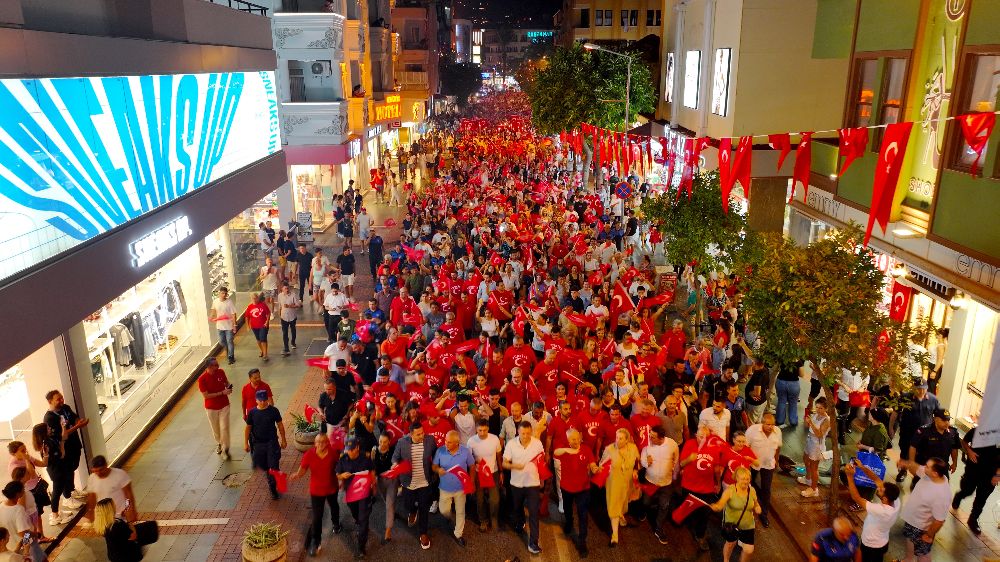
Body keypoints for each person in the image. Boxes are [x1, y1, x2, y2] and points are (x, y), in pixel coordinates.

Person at [290, 433, 342, 556]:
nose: (320, 444)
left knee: (334, 506)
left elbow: (340, 466)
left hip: (332, 488)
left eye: (323, 442)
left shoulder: (333, 453)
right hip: (316, 491)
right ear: (315, 443)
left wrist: (341, 478)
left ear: (327, 442)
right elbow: (302, 469)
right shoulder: (309, 455)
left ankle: (336, 523)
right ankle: (315, 541)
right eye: (318, 442)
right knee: (317, 517)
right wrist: (297, 475)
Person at [896, 457, 952, 562]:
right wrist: (905, 463)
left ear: (935, 473)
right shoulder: (930, 475)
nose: (924, 467)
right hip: (912, 521)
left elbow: (939, 520)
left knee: (923, 554)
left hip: (921, 528)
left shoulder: (942, 494)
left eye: (927, 466)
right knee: (909, 541)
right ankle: (908, 559)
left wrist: (928, 535)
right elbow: (917, 467)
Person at [843, 460, 901, 562]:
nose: (878, 488)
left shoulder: (881, 510)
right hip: (882, 542)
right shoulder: (896, 501)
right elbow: (876, 479)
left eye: (881, 490)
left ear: (885, 499)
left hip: (872, 546)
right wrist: (862, 466)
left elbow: (856, 498)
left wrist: (849, 476)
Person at [392, 422, 437, 550]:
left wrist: (437, 466)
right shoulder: (402, 442)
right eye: (418, 434)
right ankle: (412, 511)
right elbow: (395, 457)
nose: (422, 435)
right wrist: (395, 465)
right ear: (411, 434)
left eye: (423, 432)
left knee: (424, 508)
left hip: (424, 481)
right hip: (408, 482)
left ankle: (423, 533)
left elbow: (436, 454)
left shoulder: (430, 440)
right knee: (408, 504)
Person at [42, 390, 86, 522]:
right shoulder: (49, 419)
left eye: (62, 398)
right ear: (50, 401)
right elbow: (62, 436)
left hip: (71, 447)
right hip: (60, 461)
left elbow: (74, 417)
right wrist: (77, 426)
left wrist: (78, 422)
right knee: (59, 486)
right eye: (58, 399)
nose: (61, 401)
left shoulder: (65, 408)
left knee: (71, 469)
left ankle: (70, 492)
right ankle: (61, 506)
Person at [502, 421, 545, 555]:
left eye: (528, 433)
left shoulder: (537, 443)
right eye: (522, 433)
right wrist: (515, 466)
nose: (525, 436)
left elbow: (541, 461)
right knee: (517, 507)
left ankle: (533, 542)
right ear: (518, 432)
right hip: (516, 483)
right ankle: (520, 522)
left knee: (533, 512)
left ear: (531, 432)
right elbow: (504, 463)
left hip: (533, 483)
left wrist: (542, 479)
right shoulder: (511, 444)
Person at [553, 428, 597, 557]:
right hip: (567, 487)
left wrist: (594, 468)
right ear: (568, 440)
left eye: (578, 438)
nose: (576, 441)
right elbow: (556, 452)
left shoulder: (586, 449)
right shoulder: (563, 449)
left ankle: (582, 541)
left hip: (583, 488)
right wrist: (568, 450)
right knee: (567, 508)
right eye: (573, 439)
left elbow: (592, 463)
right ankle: (569, 522)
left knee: (583, 515)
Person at [680, 425, 723, 551]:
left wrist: (718, 483)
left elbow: (716, 469)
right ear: (695, 435)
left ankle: (700, 535)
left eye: (706, 437)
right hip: (688, 485)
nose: (703, 440)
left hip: (706, 488)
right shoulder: (689, 444)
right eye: (700, 437)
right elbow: (682, 463)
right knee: (688, 509)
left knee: (704, 514)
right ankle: (687, 523)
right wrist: (689, 458)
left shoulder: (714, 448)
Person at [952, 425, 999, 534]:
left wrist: (998, 475)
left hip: (991, 473)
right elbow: (964, 441)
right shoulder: (978, 430)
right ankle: (959, 496)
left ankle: (973, 520)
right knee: (968, 490)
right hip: (974, 468)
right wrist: (969, 451)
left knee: (982, 497)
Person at [432, 431, 475, 547]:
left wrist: (471, 480)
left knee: (461, 512)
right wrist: (437, 470)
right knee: (444, 510)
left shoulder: (465, 451)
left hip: (461, 488)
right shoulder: (440, 450)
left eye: (449, 442)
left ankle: (458, 534)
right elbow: (434, 465)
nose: (446, 443)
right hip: (444, 487)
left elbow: (472, 465)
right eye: (446, 441)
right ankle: (449, 516)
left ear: (457, 443)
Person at [710, 467, 760, 562]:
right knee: (730, 544)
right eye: (743, 479)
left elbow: (756, 503)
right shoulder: (730, 491)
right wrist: (716, 507)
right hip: (732, 524)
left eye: (747, 479)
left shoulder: (752, 490)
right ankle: (726, 560)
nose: (745, 481)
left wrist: (757, 507)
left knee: (748, 550)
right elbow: (720, 504)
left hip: (748, 524)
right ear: (736, 478)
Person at [244, 389, 287, 500]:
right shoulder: (252, 413)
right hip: (259, 444)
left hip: (272, 443)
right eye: (260, 400)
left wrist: (283, 440)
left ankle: (273, 488)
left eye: (265, 400)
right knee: (265, 467)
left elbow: (280, 425)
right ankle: (270, 475)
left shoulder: (274, 411)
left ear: (267, 399)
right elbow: (248, 428)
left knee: (273, 467)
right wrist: (246, 443)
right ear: (256, 400)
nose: (263, 402)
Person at [336, 437, 374, 560]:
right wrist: (342, 475)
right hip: (351, 494)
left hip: (364, 494)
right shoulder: (343, 458)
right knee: (355, 513)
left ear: (357, 447)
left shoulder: (365, 458)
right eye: (348, 449)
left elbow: (372, 471)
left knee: (363, 519)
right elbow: (337, 473)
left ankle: (361, 546)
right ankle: (358, 521)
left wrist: (373, 482)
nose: (350, 452)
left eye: (352, 449)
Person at [640, 425, 678, 544]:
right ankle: (644, 511)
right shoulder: (647, 446)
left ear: (661, 438)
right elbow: (642, 461)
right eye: (650, 436)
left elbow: (676, 459)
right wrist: (647, 462)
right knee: (646, 502)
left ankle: (658, 528)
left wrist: (675, 475)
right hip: (650, 481)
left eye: (653, 437)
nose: (650, 439)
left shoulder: (672, 444)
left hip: (666, 483)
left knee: (664, 506)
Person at [601, 427, 638, 547]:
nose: (617, 440)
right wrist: (605, 466)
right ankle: (615, 536)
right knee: (614, 507)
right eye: (616, 437)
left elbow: (637, 463)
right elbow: (601, 465)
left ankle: (622, 516)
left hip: (627, 483)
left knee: (624, 504)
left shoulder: (633, 448)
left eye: (621, 438)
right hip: (614, 483)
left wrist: (635, 470)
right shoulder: (609, 449)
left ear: (627, 440)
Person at [744, 413, 782, 528]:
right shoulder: (752, 431)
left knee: (766, 489)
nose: (771, 427)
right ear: (762, 423)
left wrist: (777, 460)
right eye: (768, 424)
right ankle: (748, 509)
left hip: (768, 464)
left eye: (773, 424)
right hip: (753, 464)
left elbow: (778, 447)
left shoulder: (778, 431)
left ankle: (764, 514)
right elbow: (746, 447)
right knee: (748, 486)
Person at [467, 419, 502, 532]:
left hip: (493, 471)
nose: (482, 433)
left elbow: (498, 455)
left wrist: (501, 472)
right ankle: (483, 520)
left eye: (485, 430)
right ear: (476, 430)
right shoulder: (471, 441)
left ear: (488, 429)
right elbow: (468, 459)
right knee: (479, 498)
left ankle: (494, 518)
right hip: (478, 473)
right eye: (480, 430)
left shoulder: (495, 439)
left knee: (494, 499)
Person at [198, 358, 233, 460]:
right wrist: (222, 393)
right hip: (211, 408)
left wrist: (228, 387)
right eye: (216, 365)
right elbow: (206, 396)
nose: (218, 366)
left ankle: (225, 449)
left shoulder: (221, 372)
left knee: (224, 427)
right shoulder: (202, 379)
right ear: (209, 367)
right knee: (216, 429)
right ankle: (219, 443)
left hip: (224, 405)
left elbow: (226, 382)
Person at [85, 456, 136, 522]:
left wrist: (128, 509)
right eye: (95, 471)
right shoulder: (91, 478)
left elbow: (128, 495)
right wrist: (91, 511)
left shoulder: (120, 474)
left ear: (106, 465)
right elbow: (92, 497)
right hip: (104, 516)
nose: (98, 473)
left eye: (101, 470)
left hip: (122, 515)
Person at [93, 498, 142, 562]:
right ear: (110, 510)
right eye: (113, 505)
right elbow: (133, 536)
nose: (115, 506)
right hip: (126, 555)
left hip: (113, 555)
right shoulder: (117, 525)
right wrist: (129, 520)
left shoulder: (102, 525)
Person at [800, 396, 830, 498]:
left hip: (817, 444)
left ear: (826, 408)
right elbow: (808, 427)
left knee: (814, 467)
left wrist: (811, 423)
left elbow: (820, 434)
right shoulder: (815, 414)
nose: (818, 410)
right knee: (805, 458)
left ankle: (814, 489)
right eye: (817, 407)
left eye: (821, 408)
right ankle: (808, 478)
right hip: (810, 441)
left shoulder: (827, 420)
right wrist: (806, 421)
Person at [372, 433, 397, 544]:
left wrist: (395, 464)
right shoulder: (374, 451)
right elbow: (372, 468)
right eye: (380, 441)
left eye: (385, 442)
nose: (382, 444)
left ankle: (388, 530)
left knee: (389, 504)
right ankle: (392, 512)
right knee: (386, 500)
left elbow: (398, 462)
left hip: (392, 480)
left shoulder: (393, 451)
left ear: (389, 442)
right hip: (380, 480)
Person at [209, 287, 237, 364]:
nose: (224, 295)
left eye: (225, 293)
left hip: (229, 326)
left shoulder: (229, 302)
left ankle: (231, 357)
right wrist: (211, 316)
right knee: (221, 342)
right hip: (220, 326)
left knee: (229, 341)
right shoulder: (215, 301)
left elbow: (233, 314)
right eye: (222, 293)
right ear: (219, 293)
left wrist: (234, 325)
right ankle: (228, 348)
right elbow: (213, 309)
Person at [244, 293, 272, 361]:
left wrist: (267, 322)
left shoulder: (263, 305)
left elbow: (268, 313)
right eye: (253, 298)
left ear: (258, 298)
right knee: (258, 339)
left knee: (263, 339)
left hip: (263, 325)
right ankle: (262, 350)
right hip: (254, 326)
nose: (254, 299)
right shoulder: (250, 307)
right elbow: (247, 317)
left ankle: (265, 354)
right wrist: (247, 326)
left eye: (255, 298)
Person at [276, 282, 301, 356]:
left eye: (287, 288)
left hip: (292, 316)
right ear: (282, 289)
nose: (287, 290)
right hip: (284, 317)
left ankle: (293, 342)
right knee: (285, 333)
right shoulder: (280, 296)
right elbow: (280, 306)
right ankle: (286, 348)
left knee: (293, 330)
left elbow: (298, 305)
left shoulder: (293, 295)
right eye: (285, 289)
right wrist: (279, 314)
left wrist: (290, 306)